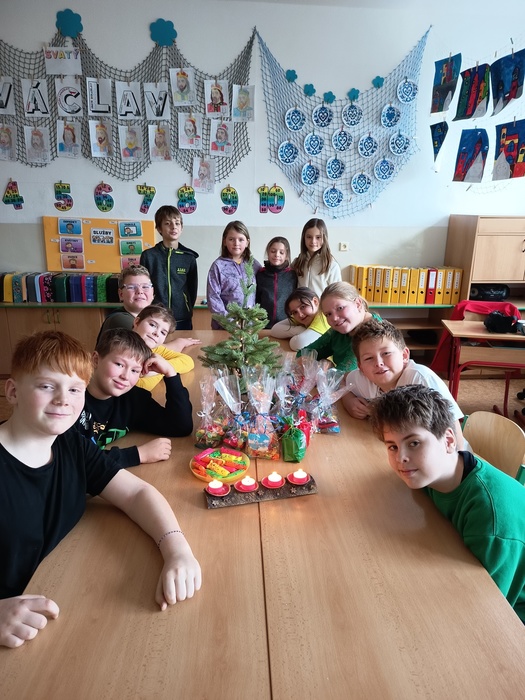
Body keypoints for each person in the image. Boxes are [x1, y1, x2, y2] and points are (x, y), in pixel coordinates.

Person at [0, 330, 201, 648]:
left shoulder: (71, 444)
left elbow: (136, 493)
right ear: (12, 391)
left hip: (59, 596)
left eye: (74, 389)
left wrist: (178, 551)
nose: (63, 400)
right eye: (46, 386)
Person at [369, 384, 525, 624]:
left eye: (414, 443)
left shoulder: (491, 521)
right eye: (392, 446)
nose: (401, 458)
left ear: (449, 441)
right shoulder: (435, 472)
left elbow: (487, 609)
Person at [75, 328, 193, 468]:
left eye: (135, 370)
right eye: (119, 364)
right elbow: (74, 460)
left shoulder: (132, 399)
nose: (125, 376)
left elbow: (180, 426)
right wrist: (138, 454)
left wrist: (170, 373)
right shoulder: (70, 400)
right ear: (95, 360)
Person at [343, 319, 466, 446]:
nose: (378, 363)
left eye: (386, 353)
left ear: (404, 355)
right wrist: (348, 401)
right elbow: (342, 381)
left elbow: (453, 429)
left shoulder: (420, 379)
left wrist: (458, 457)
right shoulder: (364, 379)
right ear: (361, 367)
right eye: (369, 358)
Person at [140, 205, 199, 332]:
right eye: (167, 223)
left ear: (181, 228)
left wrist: (186, 308)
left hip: (182, 318)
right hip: (155, 316)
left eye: (177, 223)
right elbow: (144, 287)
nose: (173, 227)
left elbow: (192, 289)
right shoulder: (149, 256)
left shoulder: (189, 257)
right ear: (159, 228)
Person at [300, 281, 381, 371]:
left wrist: (327, 367)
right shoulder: (339, 330)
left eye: (340, 308)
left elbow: (345, 374)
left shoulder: (374, 334)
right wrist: (321, 363)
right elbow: (304, 353)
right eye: (328, 314)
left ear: (358, 304)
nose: (334, 318)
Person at [206, 221, 262, 330]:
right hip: (224, 327)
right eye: (231, 239)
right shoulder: (218, 266)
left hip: (249, 327)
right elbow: (213, 298)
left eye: (241, 239)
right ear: (224, 241)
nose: (236, 243)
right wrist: (230, 323)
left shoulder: (253, 264)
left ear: (247, 242)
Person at [133, 305, 195, 391]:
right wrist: (161, 371)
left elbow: (188, 361)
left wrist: (162, 368)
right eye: (152, 325)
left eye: (163, 332)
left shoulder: (155, 349)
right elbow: (138, 387)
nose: (157, 333)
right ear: (137, 322)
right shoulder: (122, 347)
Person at [97, 265, 155, 343]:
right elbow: (149, 346)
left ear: (152, 292)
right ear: (121, 294)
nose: (139, 291)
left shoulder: (149, 319)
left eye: (145, 287)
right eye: (131, 287)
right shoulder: (119, 319)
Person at [291, 218, 341, 298]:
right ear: (304, 238)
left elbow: (336, 294)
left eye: (318, 237)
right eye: (309, 237)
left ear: (324, 238)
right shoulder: (297, 262)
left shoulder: (331, 266)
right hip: (300, 305)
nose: (313, 241)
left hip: (321, 306)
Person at [270, 286, 330, 351]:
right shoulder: (303, 315)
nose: (300, 315)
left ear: (315, 302)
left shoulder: (322, 316)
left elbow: (298, 344)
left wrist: (298, 334)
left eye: (303, 307)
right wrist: (300, 330)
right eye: (295, 312)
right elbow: (274, 330)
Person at [255, 236, 297, 328]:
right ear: (268, 252)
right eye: (273, 251)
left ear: (286, 255)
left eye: (281, 252)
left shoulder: (292, 275)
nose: (277, 255)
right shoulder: (260, 274)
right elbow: (256, 299)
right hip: (262, 325)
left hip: (286, 325)